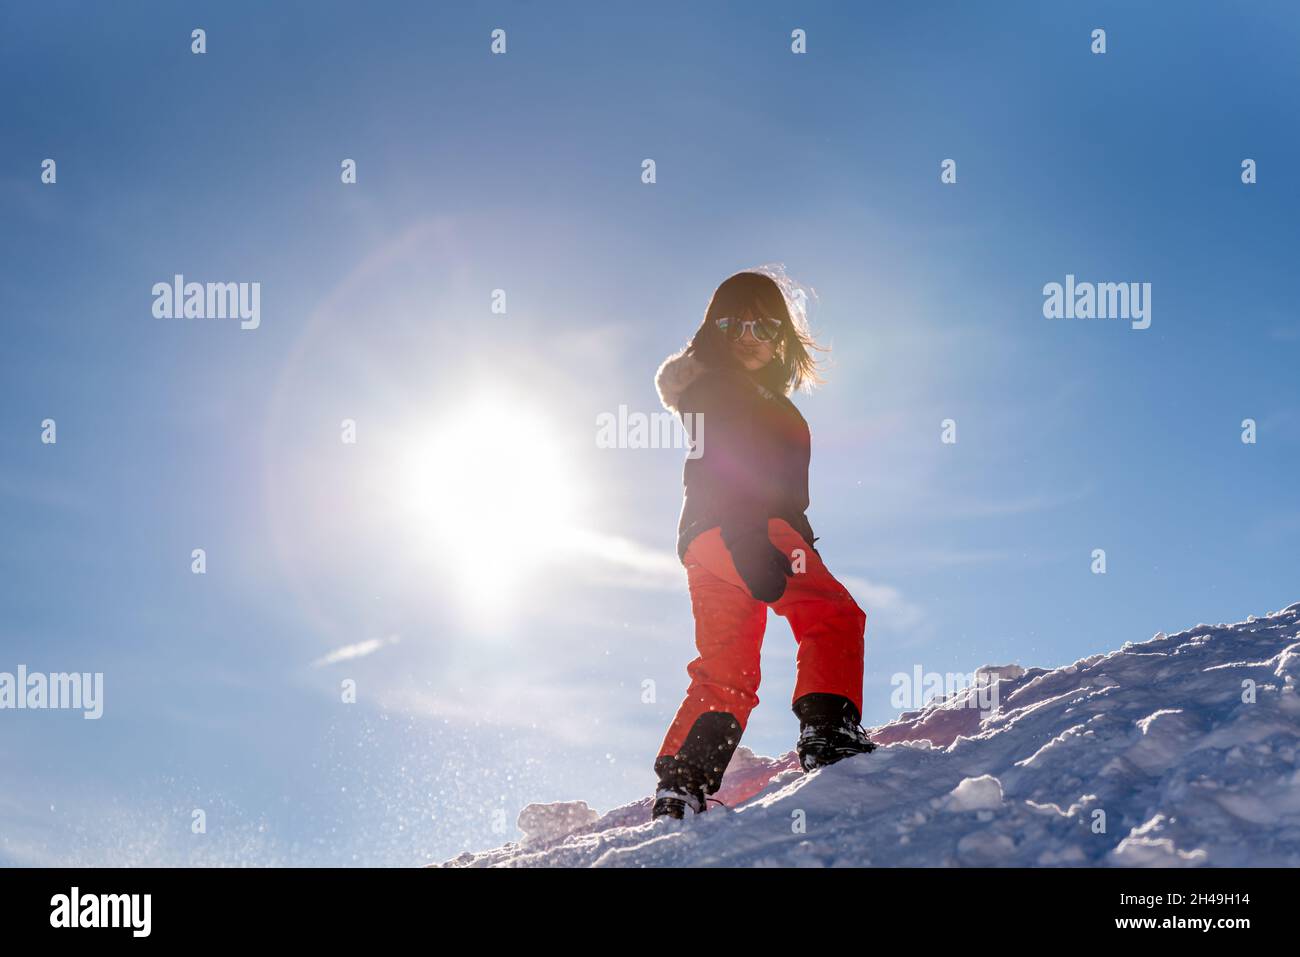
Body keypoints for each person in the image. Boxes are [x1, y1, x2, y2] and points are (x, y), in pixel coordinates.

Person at [650, 268, 875, 820]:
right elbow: (731, 463)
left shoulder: (721, 391)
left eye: (763, 325)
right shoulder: (726, 391)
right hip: (745, 527)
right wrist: (751, 539)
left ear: (781, 335)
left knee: (727, 667)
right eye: (733, 324)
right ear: (713, 331)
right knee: (831, 614)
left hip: (705, 542)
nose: (748, 337)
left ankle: (682, 784)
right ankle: (829, 733)